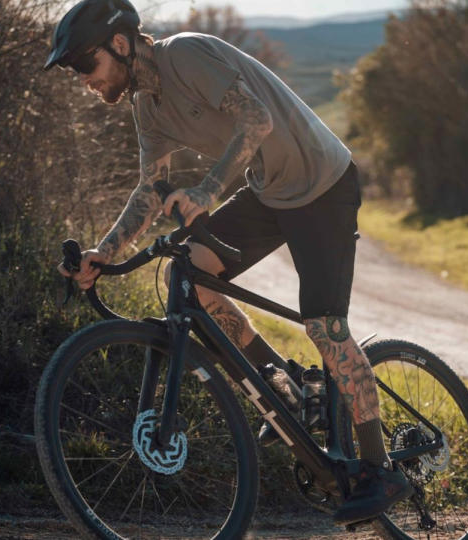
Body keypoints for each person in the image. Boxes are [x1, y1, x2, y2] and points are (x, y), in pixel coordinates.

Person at [46, 0, 412, 525]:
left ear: (120, 45)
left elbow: (256, 119)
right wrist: (106, 250)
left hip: (323, 184)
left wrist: (208, 190)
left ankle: (381, 469)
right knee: (189, 276)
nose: (82, 79)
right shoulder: (146, 106)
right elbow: (149, 190)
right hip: (269, 191)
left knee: (325, 326)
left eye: (84, 64)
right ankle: (282, 381)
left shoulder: (185, 56)